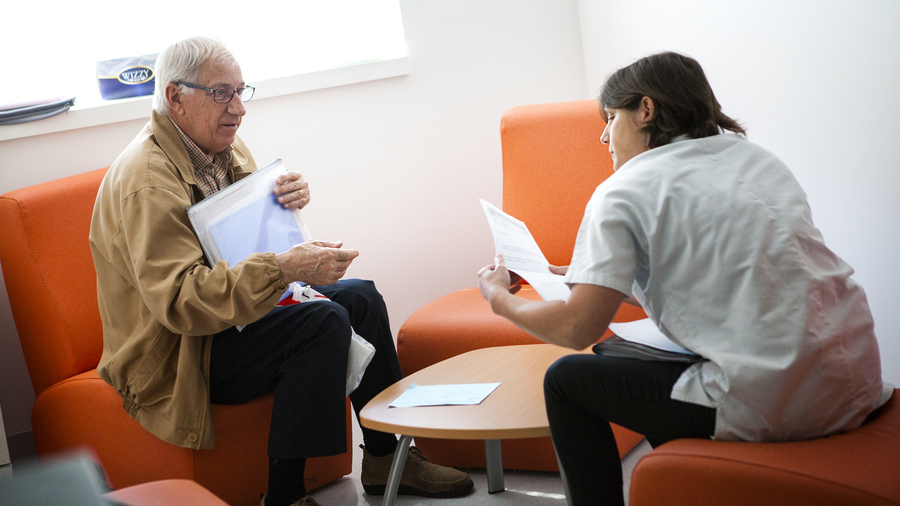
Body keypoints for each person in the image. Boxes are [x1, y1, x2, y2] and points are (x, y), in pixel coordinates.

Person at [477, 51, 892, 506]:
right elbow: (720, 278)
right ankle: (688, 483)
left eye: (611, 117)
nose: (603, 135)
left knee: (567, 379)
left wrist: (498, 297)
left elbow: (577, 329)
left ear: (646, 110)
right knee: (625, 353)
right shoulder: (756, 160)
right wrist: (591, 275)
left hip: (784, 397)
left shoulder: (622, 190)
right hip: (854, 375)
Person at [89, 36, 472, 506]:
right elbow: (182, 302)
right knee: (320, 321)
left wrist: (287, 202)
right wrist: (287, 266)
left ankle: (385, 456)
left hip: (226, 319)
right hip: (181, 350)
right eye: (221, 93)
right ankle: (286, 495)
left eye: (241, 91)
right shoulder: (147, 180)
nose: (238, 109)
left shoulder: (220, 145)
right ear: (175, 96)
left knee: (360, 297)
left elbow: (244, 241)